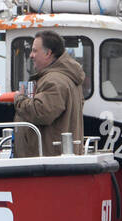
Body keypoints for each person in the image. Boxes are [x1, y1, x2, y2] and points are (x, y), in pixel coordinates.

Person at [12, 30, 85, 158]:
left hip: (47, 161)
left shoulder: (54, 81)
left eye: (35, 51)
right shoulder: (66, 79)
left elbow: (41, 112)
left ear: (48, 53)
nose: (31, 55)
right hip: (55, 160)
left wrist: (19, 99)